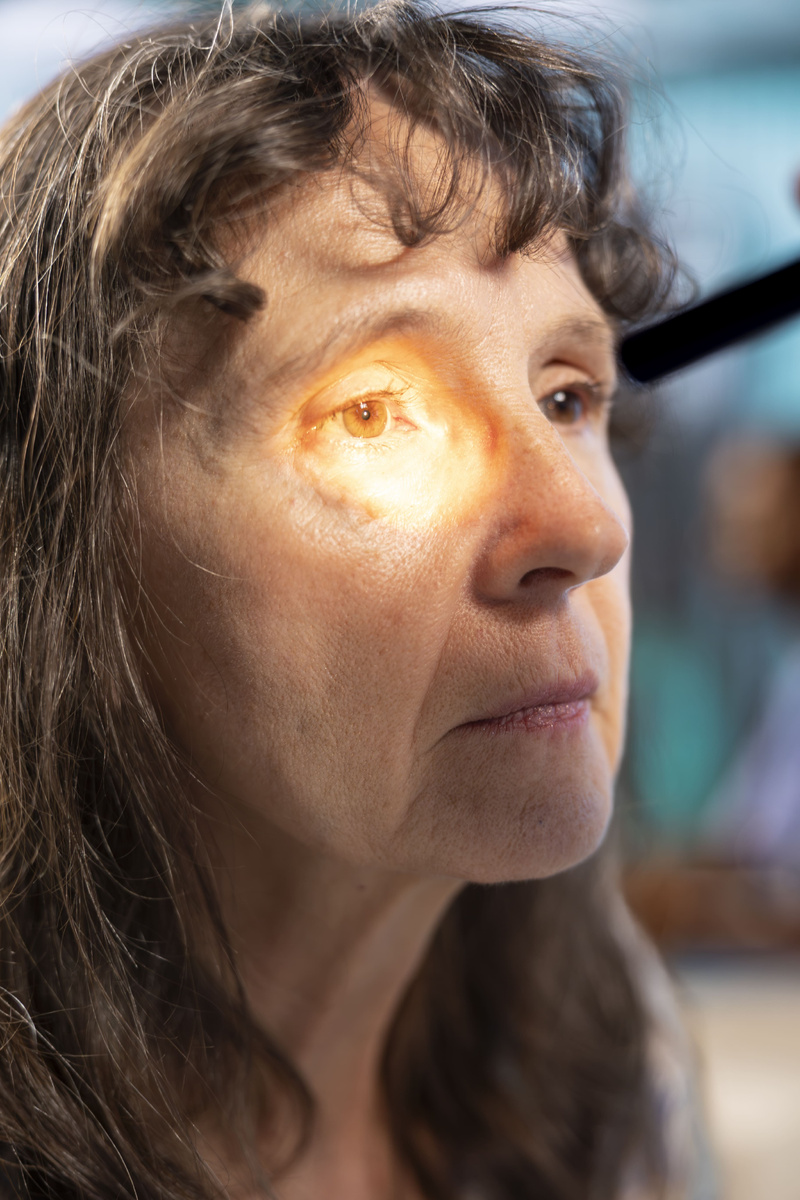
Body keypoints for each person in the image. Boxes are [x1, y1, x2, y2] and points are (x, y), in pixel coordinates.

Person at [0, 3, 694, 1197]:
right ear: (66, 554)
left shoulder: (608, 1058)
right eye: (372, 412)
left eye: (565, 396)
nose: (585, 531)